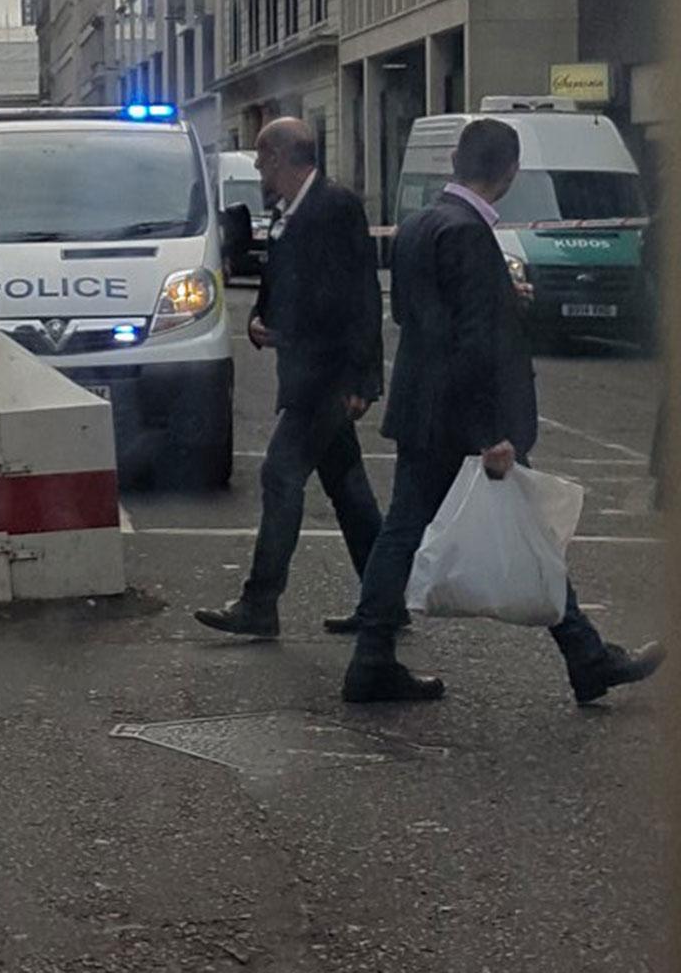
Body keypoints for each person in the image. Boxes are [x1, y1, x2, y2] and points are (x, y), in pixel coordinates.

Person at [342, 117, 666, 704]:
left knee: (407, 531)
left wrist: (498, 297)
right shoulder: (467, 233)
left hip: (424, 409)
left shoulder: (420, 223)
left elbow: (414, 318)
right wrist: (491, 432)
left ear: (457, 163)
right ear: (510, 172)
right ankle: (586, 659)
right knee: (509, 530)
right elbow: (469, 342)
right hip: (462, 419)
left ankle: (373, 656)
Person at [195, 118, 386, 639]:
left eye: (261, 159)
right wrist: (261, 319)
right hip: (307, 371)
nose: (258, 169)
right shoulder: (290, 213)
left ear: (280, 158)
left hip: (326, 377)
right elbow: (283, 281)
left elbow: (360, 298)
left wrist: (362, 379)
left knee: (279, 477)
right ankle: (387, 598)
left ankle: (261, 604)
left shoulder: (335, 207)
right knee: (349, 491)